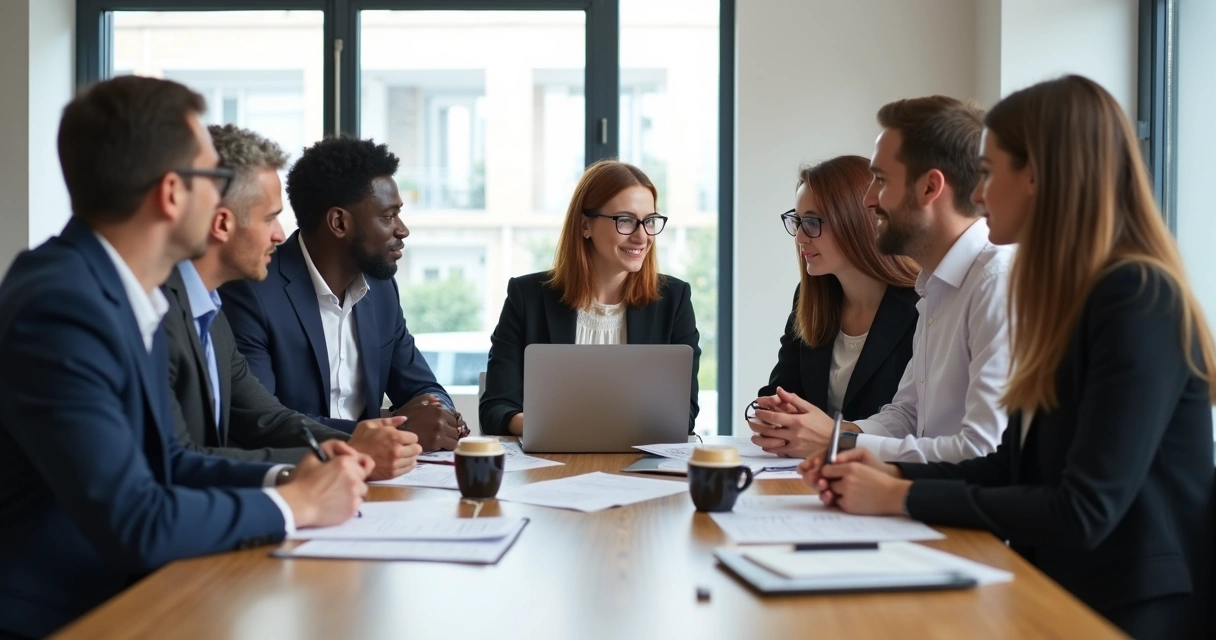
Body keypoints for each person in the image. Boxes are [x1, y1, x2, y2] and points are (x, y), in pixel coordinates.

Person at [801, 75, 1214, 640]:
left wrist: (902, 493)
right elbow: (1008, 467)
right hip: (1064, 585)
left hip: (1134, 606)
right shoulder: (1066, 295)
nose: (981, 193)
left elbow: (1084, 510)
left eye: (992, 173)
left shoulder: (1136, 296)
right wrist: (883, 467)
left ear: (1038, 178)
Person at [0, 76, 371, 638]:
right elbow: (136, 519)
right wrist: (295, 506)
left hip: (136, 592)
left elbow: (168, 461)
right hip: (70, 615)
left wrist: (291, 474)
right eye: (214, 177)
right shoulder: (62, 304)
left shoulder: (124, 291)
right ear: (172, 194)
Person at [749, 96, 1012, 463]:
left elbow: (982, 451)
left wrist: (838, 442)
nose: (869, 201)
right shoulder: (934, 287)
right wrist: (832, 435)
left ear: (929, 188)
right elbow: (906, 415)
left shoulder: (995, 283)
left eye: (881, 181)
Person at [165, 124, 422, 479]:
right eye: (270, 218)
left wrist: (357, 448)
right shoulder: (163, 311)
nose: (280, 234)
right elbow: (178, 462)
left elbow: (266, 416)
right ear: (222, 223)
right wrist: (323, 468)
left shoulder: (208, 309)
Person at [220, 136, 468, 452]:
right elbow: (262, 422)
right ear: (339, 222)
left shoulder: (380, 290)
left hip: (379, 478)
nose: (402, 230)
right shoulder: (252, 291)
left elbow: (421, 385)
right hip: (301, 477)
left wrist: (442, 413)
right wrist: (379, 434)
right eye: (388, 216)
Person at [480, 160, 701, 436]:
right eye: (626, 220)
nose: (642, 236)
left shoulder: (674, 299)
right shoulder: (527, 297)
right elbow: (495, 409)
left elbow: (685, 413)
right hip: (551, 465)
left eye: (650, 221)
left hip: (639, 466)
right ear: (585, 225)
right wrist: (555, 429)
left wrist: (598, 429)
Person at [752, 156, 919, 431]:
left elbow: (916, 425)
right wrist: (774, 412)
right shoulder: (810, 300)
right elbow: (778, 392)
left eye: (812, 222)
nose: (800, 237)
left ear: (857, 221)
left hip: (881, 470)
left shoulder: (922, 303)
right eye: (798, 221)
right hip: (807, 469)